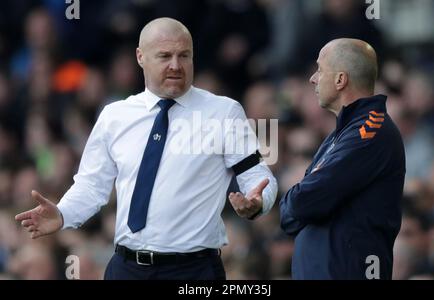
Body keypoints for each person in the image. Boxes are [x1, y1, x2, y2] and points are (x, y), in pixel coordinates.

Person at [15, 17, 278, 280]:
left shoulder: (224, 112)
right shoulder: (114, 116)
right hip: (125, 267)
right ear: (140, 57)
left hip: (194, 271)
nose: (176, 65)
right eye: (165, 56)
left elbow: (258, 177)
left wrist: (257, 203)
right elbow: (91, 186)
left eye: (184, 55)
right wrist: (62, 214)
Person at [279, 38, 405, 280]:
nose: (313, 79)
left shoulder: (370, 131)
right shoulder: (341, 134)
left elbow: (302, 202)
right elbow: (289, 218)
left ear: (340, 80)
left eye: (320, 69)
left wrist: (299, 200)